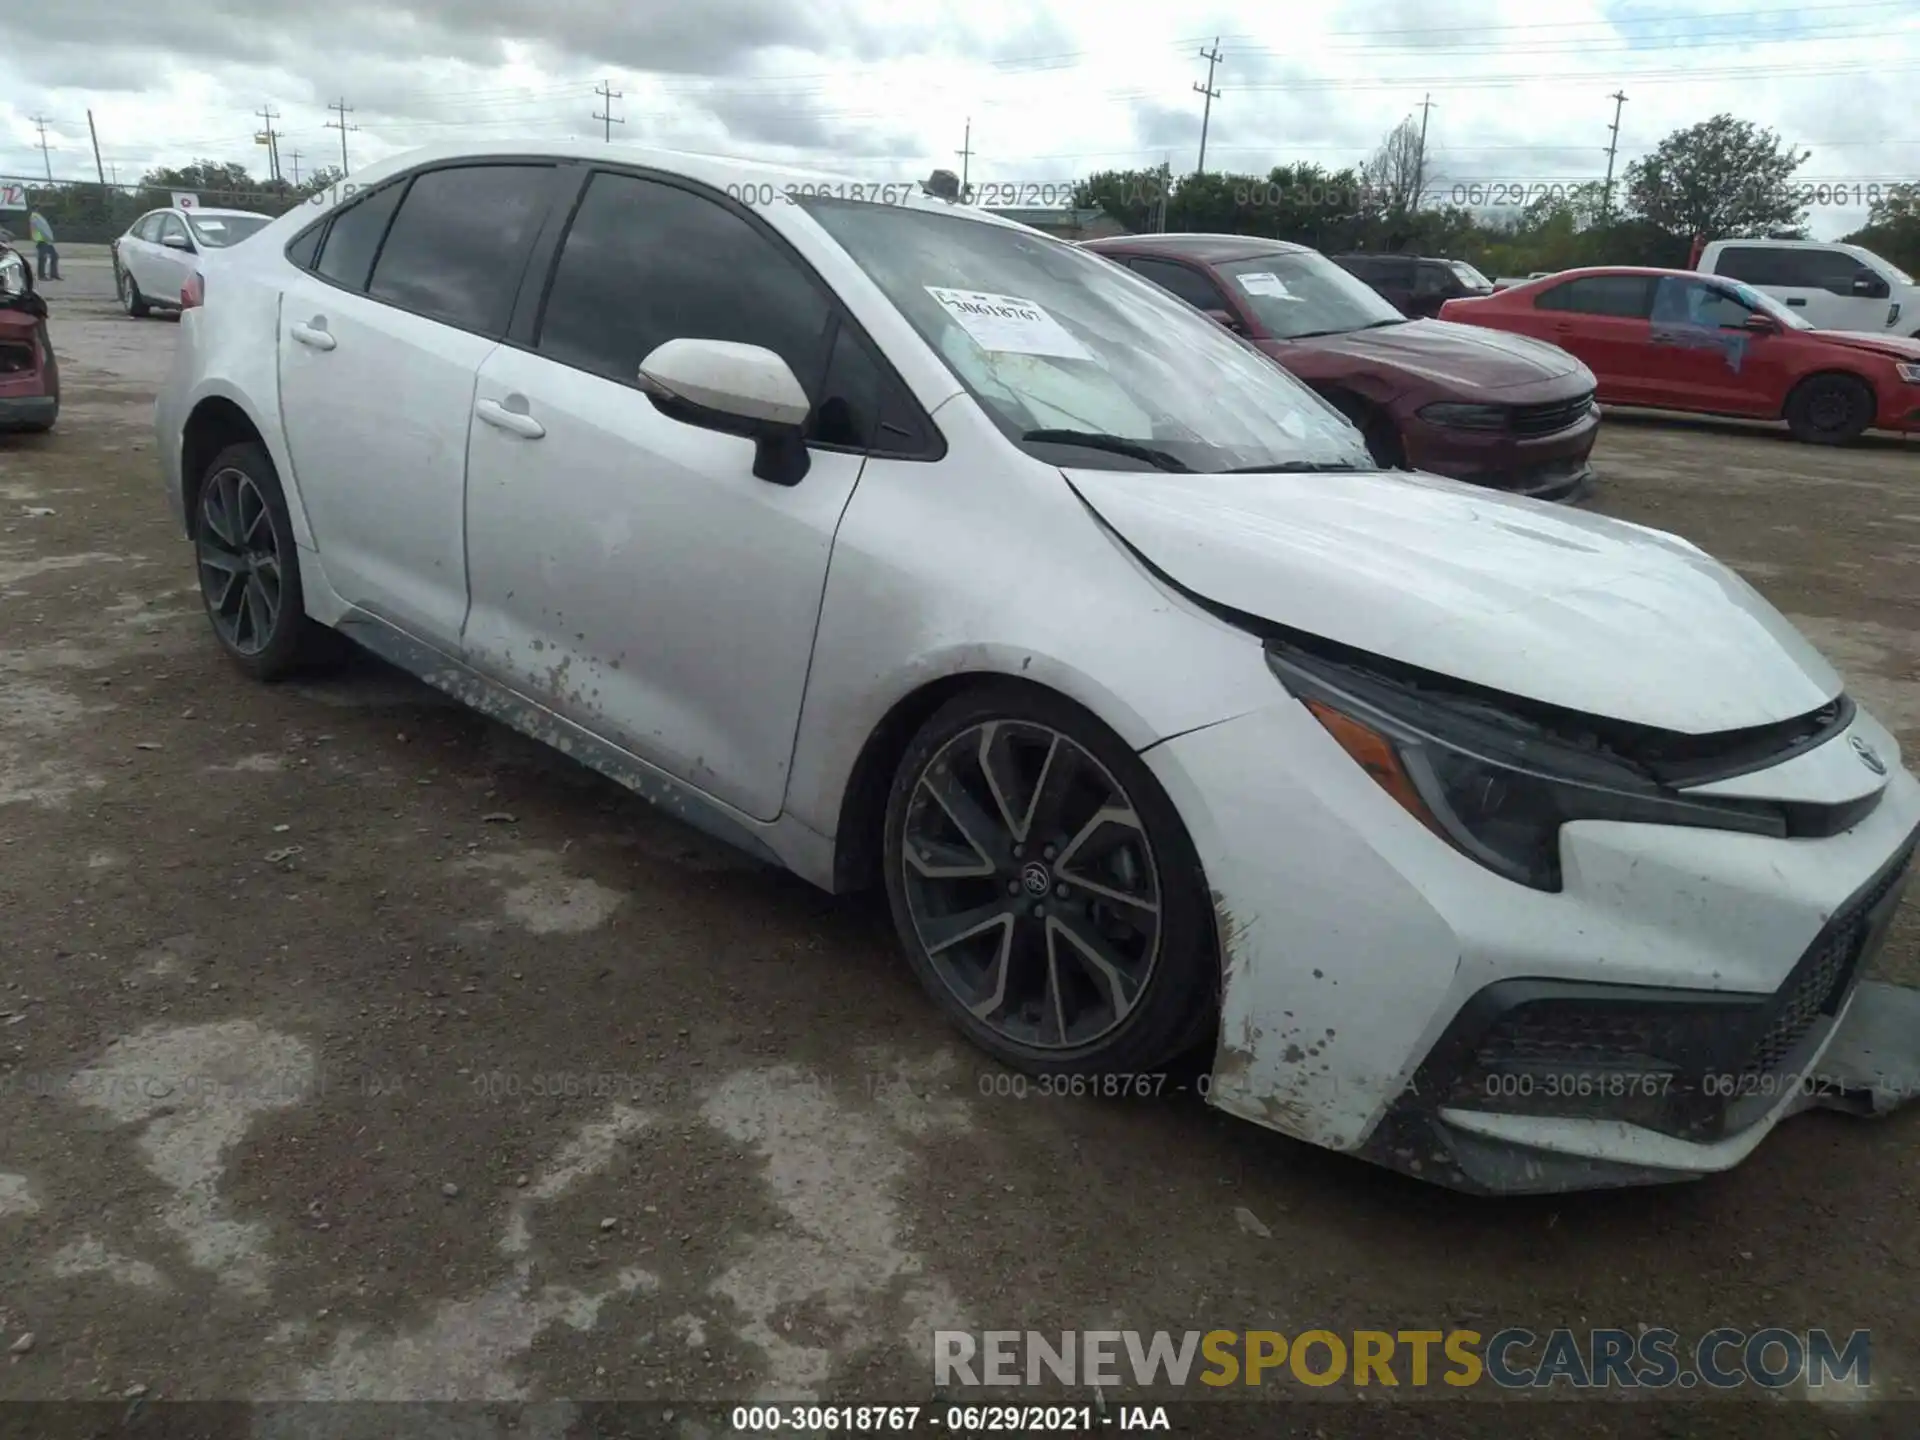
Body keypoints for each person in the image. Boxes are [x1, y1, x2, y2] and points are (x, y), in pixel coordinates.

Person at [29, 211, 58, 281]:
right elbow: (42, 229)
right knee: (43, 258)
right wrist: (49, 237)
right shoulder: (35, 217)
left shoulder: (38, 217)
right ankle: (42, 275)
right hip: (42, 240)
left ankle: (53, 274)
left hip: (45, 240)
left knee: (53, 256)